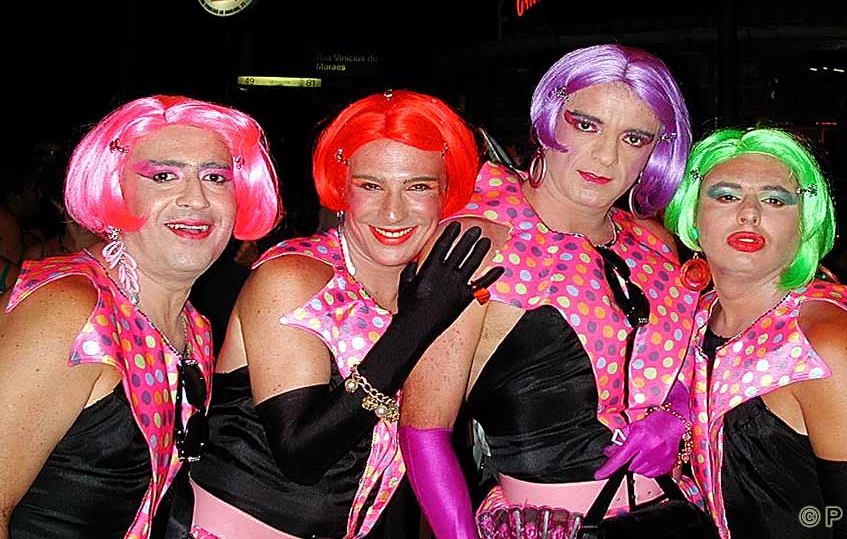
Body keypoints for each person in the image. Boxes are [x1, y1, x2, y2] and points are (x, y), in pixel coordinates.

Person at [401, 44, 714, 538]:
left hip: (677, 515)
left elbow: (687, 362)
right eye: (586, 124)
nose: (606, 156)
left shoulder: (653, 243)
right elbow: (423, 430)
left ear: (658, 149)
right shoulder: (481, 240)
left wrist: (675, 415)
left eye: (633, 138)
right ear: (549, 117)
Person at [172, 90, 503, 539]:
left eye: (418, 186)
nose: (393, 211)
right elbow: (301, 455)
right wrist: (418, 323)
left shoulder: (431, 284)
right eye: (371, 185)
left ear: (447, 192)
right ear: (341, 188)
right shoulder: (292, 278)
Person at [0, 94, 282, 539]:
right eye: (164, 176)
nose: (196, 199)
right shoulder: (69, 310)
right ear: (114, 189)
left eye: (215, 177)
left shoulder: (194, 328)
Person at [665, 128, 847, 538]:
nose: (749, 214)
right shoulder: (692, 319)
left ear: (805, 223)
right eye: (726, 196)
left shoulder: (828, 343)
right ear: (693, 215)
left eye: (774, 200)